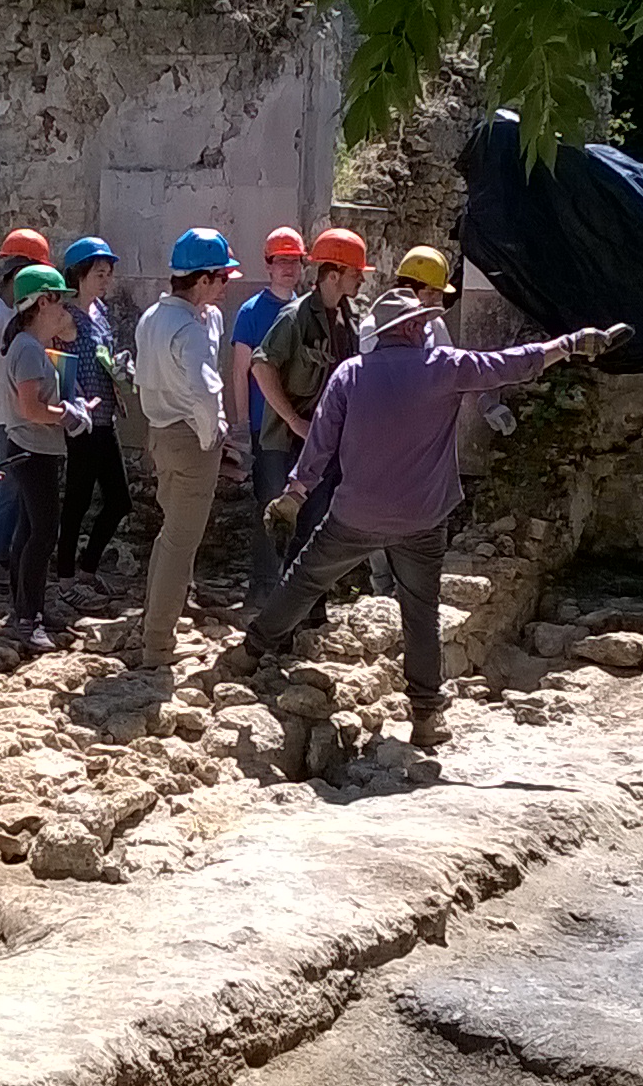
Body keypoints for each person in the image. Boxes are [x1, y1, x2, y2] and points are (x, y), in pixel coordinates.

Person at [243, 291, 595, 747]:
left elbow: (321, 444)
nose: (430, 326)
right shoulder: (445, 367)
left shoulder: (350, 374)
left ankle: (251, 651)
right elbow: (512, 363)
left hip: (355, 515)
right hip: (422, 520)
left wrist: (295, 493)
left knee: (305, 581)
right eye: (425, 321)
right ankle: (426, 716)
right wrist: (569, 344)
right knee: (420, 614)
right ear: (409, 329)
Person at [362, 245, 514, 596]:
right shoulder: (373, 328)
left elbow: (457, 370)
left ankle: (407, 594)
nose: (438, 302)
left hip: (424, 445)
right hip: (383, 442)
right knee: (377, 519)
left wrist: (488, 403)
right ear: (412, 289)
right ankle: (380, 594)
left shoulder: (435, 328)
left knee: (419, 521)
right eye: (433, 292)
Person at [134, 228, 239, 670]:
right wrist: (211, 435)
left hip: (159, 433)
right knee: (182, 541)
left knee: (170, 535)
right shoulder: (189, 330)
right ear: (202, 280)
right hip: (190, 438)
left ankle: (154, 626)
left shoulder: (153, 318)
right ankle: (158, 644)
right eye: (222, 279)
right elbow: (205, 392)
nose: (226, 287)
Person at [250, 227, 370, 582]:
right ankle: (268, 610)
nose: (361, 280)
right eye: (355, 273)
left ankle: (305, 611)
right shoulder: (294, 317)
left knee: (314, 529)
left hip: (326, 445)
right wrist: (292, 420)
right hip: (287, 445)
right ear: (333, 275)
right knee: (280, 527)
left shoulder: (350, 321)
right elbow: (261, 365)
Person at [0, 262, 89, 652]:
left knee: (27, 531)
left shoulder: (27, 346)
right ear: (44, 302)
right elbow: (31, 408)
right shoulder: (30, 350)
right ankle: (27, 618)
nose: (66, 311)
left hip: (28, 448)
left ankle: (27, 606)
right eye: (62, 303)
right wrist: (71, 416)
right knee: (43, 534)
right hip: (34, 449)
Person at [0, 229, 51, 583]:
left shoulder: (9, 312)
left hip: (13, 412)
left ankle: (0, 553)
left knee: (15, 489)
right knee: (2, 487)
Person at [228, 227, 304, 609]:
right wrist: (243, 426)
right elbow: (241, 370)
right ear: (269, 265)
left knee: (298, 505)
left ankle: (291, 587)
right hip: (265, 427)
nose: (289, 268)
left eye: (294, 261)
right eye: (282, 260)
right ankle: (262, 586)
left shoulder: (308, 310)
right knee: (268, 504)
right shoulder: (251, 312)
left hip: (303, 431)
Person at [54, 236, 131, 600]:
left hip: (106, 417)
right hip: (82, 420)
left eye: (108, 274)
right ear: (80, 275)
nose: (106, 280)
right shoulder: (65, 316)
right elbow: (54, 362)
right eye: (99, 273)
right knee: (77, 500)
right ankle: (67, 577)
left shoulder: (101, 313)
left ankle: (87, 567)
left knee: (119, 500)